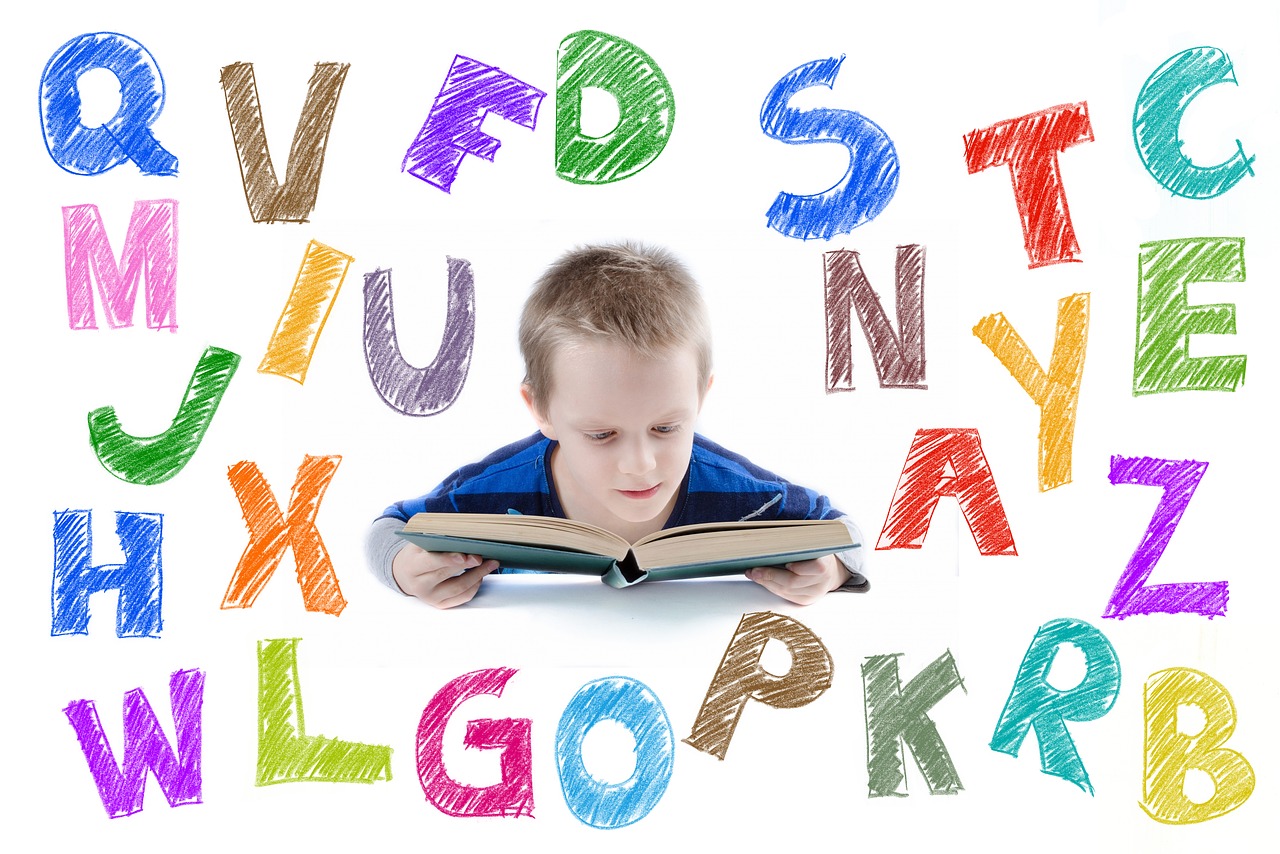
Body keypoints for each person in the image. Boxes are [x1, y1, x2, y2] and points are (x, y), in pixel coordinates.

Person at [366, 242, 867, 608]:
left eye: (667, 428)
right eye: (601, 435)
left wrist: (832, 571)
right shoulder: (490, 491)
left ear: (700, 397)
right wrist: (403, 568)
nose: (640, 464)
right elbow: (389, 527)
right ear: (539, 409)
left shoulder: (746, 494)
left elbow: (843, 533)